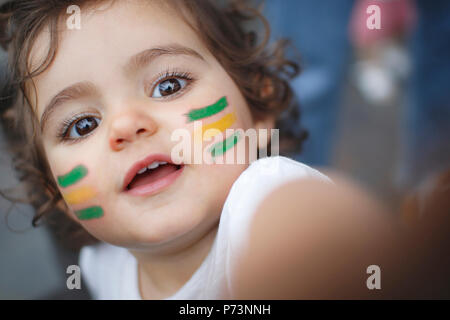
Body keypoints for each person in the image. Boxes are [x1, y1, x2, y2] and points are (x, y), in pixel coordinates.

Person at [0, 0, 395, 299]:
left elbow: (320, 230)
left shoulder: (264, 203)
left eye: (169, 85)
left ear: (258, 107)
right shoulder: (104, 269)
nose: (125, 125)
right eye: (81, 125)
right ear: (56, 192)